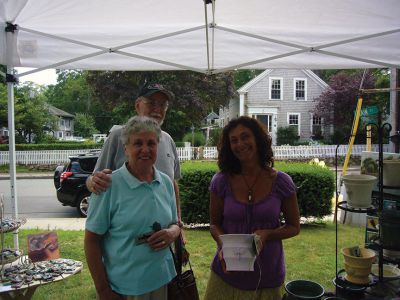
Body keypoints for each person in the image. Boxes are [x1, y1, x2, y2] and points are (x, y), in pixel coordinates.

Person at [204, 116, 300, 300]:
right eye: (234, 140)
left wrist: (268, 234)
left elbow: (294, 227)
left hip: (267, 277)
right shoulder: (221, 181)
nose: (240, 144)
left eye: (245, 136)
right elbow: (214, 224)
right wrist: (223, 246)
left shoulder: (282, 182)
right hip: (227, 274)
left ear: (257, 138)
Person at [85, 116, 181, 300]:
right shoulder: (108, 185)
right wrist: (103, 290)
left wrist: (172, 233)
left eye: (151, 143)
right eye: (138, 143)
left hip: (162, 281)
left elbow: (175, 223)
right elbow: (91, 241)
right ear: (126, 148)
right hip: (123, 288)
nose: (145, 149)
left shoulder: (166, 183)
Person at [86, 82, 182, 222]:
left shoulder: (168, 140)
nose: (157, 109)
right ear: (137, 105)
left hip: (166, 235)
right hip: (127, 232)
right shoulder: (118, 136)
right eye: (151, 103)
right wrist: (92, 182)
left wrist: (178, 223)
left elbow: (172, 184)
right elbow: (95, 179)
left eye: (162, 105)